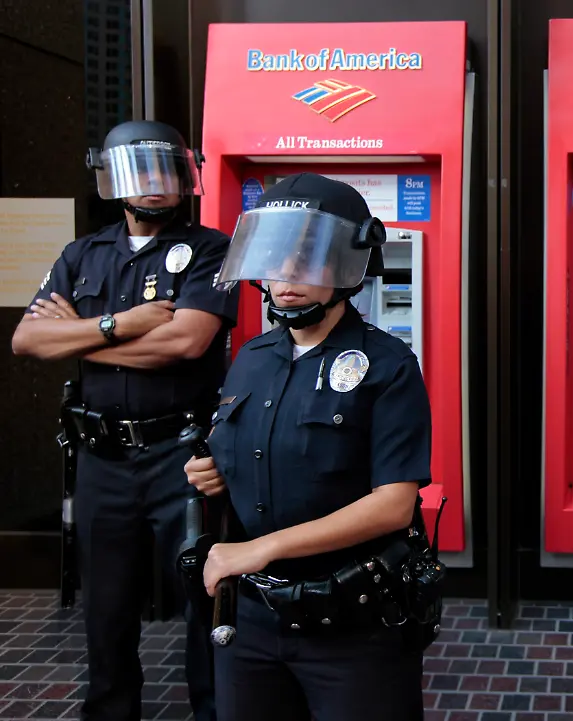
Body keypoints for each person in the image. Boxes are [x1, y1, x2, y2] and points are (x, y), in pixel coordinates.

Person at [183, 172, 442, 721]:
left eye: (308, 257)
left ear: (347, 265)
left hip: (351, 618)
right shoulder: (251, 358)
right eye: (275, 256)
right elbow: (253, 458)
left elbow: (393, 505)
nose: (288, 275)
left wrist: (262, 548)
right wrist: (216, 473)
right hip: (253, 617)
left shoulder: (389, 366)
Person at [11, 120, 236, 721]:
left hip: (182, 455)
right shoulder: (82, 254)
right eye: (142, 171)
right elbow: (27, 339)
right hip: (101, 459)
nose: (156, 184)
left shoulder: (211, 249)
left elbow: (186, 342)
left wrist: (78, 337)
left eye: (167, 170)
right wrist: (123, 324)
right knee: (106, 607)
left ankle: (214, 711)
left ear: (185, 177)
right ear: (112, 181)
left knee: (203, 596)